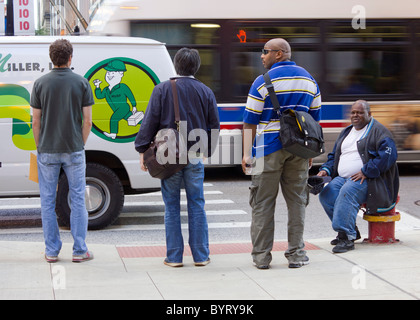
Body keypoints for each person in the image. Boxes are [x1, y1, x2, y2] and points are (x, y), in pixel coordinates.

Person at [135, 48, 220, 268]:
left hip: (168, 156)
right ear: (196, 67)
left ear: (176, 65)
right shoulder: (206, 91)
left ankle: (174, 257)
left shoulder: (162, 89)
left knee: (171, 206)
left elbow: (150, 122)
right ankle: (201, 256)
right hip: (194, 155)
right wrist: (206, 150)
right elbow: (213, 126)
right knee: (197, 204)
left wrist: (143, 151)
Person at [242, 38, 322, 269]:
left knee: (262, 203)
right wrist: (310, 154)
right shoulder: (310, 80)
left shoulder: (262, 81)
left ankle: (261, 257)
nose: (261, 56)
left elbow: (249, 122)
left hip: (267, 149)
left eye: (265, 52)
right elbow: (315, 122)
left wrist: (247, 155)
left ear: (279, 54)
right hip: (299, 149)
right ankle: (296, 255)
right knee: (297, 202)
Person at [31, 39, 94, 263]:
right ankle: (79, 250)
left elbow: (35, 123)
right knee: (77, 198)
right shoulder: (82, 83)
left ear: (51, 58)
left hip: (47, 149)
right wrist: (80, 143)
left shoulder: (40, 84)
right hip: (74, 149)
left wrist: (41, 147)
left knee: (47, 201)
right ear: (70, 58)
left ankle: (51, 251)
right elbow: (88, 122)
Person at [318, 100, 399, 253]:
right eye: (353, 112)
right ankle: (349, 231)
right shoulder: (347, 132)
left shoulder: (380, 132)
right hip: (344, 177)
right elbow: (334, 156)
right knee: (326, 194)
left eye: (360, 112)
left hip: (370, 179)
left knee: (347, 191)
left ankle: (347, 238)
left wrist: (366, 171)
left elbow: (388, 157)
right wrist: (326, 170)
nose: (356, 115)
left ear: (369, 114)